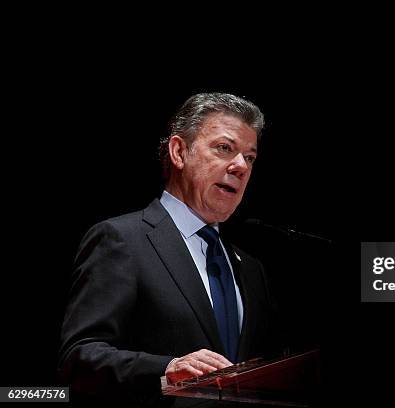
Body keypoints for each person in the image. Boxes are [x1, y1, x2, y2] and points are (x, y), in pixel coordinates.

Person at [59, 93, 281, 406]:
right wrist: (166, 368)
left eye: (250, 157)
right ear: (179, 152)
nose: (240, 166)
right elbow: (79, 358)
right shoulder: (121, 240)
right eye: (225, 148)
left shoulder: (251, 268)